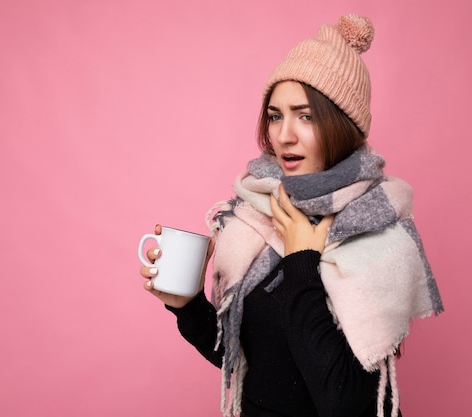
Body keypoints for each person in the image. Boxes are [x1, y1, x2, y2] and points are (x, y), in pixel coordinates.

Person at [139, 14, 443, 417]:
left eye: (306, 116)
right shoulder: (259, 211)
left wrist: (303, 261)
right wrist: (188, 306)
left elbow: (343, 401)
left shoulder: (379, 227)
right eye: (275, 115)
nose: (284, 136)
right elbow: (259, 370)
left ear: (343, 125)